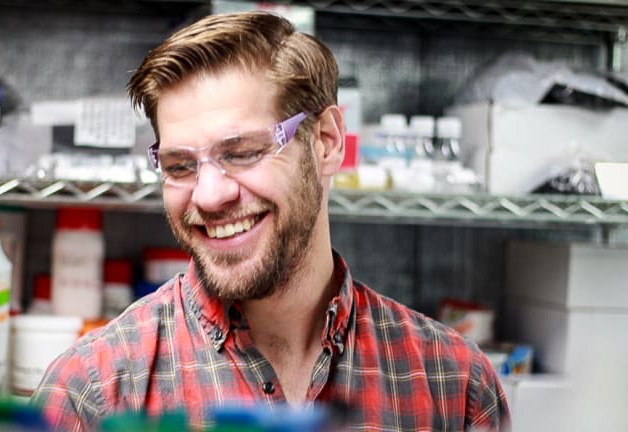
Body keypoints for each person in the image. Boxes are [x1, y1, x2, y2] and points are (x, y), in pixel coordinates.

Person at [31, 11, 510, 431]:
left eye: (242, 153)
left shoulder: (455, 385)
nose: (210, 195)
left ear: (325, 141)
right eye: (180, 166)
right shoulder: (90, 394)